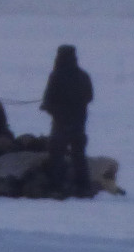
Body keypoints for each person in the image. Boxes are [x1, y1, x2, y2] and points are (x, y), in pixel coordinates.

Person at [40, 44, 94, 196]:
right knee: (79, 156)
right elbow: (89, 97)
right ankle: (83, 187)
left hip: (61, 124)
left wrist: (47, 107)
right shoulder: (84, 75)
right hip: (79, 124)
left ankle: (56, 186)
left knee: (56, 155)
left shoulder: (56, 75)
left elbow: (48, 99)